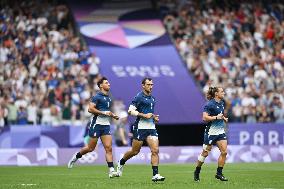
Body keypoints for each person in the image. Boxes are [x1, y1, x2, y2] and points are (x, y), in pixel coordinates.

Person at [68, 77, 120, 178]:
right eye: (106, 83)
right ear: (101, 85)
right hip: (96, 125)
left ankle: (111, 170)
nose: (109, 84)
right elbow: (90, 109)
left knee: (108, 148)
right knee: (90, 148)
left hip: (106, 125)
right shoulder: (97, 97)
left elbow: (106, 111)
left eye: (108, 82)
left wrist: (112, 115)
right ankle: (75, 157)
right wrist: (103, 112)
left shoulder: (109, 97)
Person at [116, 77, 165, 182]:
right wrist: (144, 115)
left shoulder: (153, 98)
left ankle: (155, 175)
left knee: (155, 150)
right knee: (135, 151)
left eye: (152, 84)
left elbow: (149, 114)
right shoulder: (138, 97)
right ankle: (121, 162)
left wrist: (153, 117)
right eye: (148, 84)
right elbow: (130, 111)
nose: (150, 86)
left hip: (151, 128)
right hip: (140, 128)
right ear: (143, 85)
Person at [194, 86, 229, 182]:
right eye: (222, 91)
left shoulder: (222, 103)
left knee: (224, 152)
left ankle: (219, 173)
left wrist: (223, 118)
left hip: (220, 131)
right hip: (211, 132)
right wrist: (216, 118)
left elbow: (219, 115)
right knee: (205, 153)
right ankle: (197, 171)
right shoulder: (209, 104)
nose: (224, 93)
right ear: (216, 94)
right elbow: (204, 118)